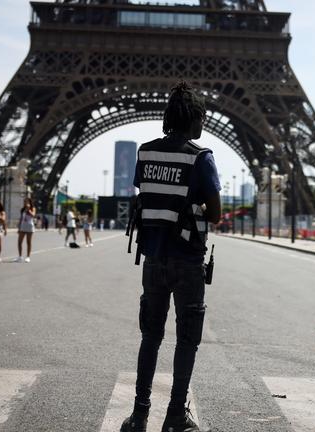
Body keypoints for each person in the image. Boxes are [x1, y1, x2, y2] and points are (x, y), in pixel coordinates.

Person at [120, 82, 221, 432]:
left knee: (150, 337)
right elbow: (216, 213)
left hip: (153, 258)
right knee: (187, 339)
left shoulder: (145, 153)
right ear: (193, 119)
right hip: (188, 260)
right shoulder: (201, 157)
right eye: (202, 118)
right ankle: (176, 415)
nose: (204, 124)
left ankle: (139, 414)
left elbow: (146, 195)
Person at [16, 197, 36, 263]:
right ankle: (20, 256)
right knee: (19, 242)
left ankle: (28, 257)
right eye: (24, 202)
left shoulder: (33, 208)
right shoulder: (22, 209)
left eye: (27, 202)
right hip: (23, 227)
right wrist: (19, 227)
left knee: (28, 242)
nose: (25, 203)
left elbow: (33, 215)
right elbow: (21, 218)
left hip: (29, 227)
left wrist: (28, 210)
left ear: (30, 202)